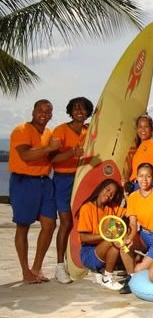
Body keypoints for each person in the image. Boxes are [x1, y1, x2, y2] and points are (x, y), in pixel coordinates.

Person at [8, 99, 61, 284]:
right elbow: (26, 155)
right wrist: (48, 148)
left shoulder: (49, 133)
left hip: (44, 182)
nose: (44, 114)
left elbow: (55, 155)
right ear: (33, 111)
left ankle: (37, 267)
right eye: (40, 110)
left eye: (48, 111)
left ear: (51, 115)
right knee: (23, 225)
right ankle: (25, 271)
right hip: (23, 182)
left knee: (50, 224)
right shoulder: (21, 130)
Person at [50, 96, 94, 284]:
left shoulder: (89, 131)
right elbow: (52, 160)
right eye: (75, 108)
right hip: (63, 180)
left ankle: (82, 263)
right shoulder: (60, 130)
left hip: (82, 179)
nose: (79, 111)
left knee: (82, 222)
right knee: (66, 222)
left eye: (83, 109)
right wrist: (71, 153)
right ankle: (60, 266)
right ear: (70, 110)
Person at [76, 178, 135, 291]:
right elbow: (83, 238)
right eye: (107, 190)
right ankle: (106, 277)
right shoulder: (86, 208)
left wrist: (127, 196)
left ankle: (127, 275)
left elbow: (130, 211)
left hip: (105, 249)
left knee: (122, 242)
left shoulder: (110, 208)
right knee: (113, 239)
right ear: (100, 188)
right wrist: (106, 236)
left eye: (112, 194)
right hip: (89, 253)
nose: (109, 195)